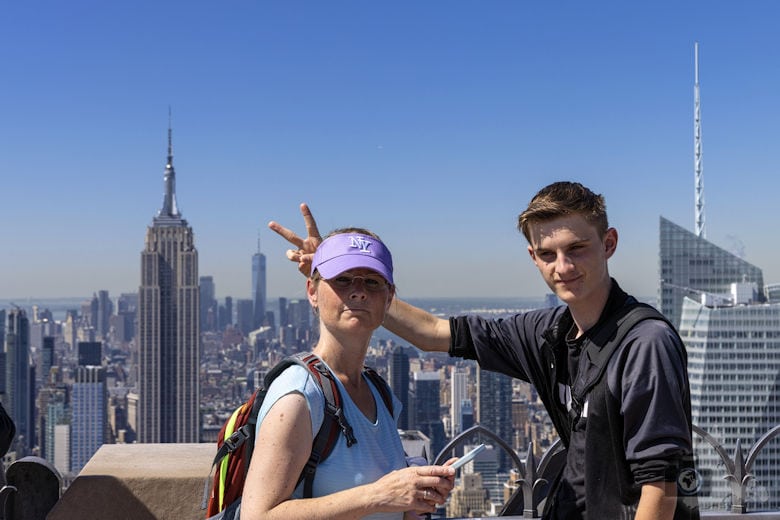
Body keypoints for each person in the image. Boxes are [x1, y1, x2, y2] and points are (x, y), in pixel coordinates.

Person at [269, 182, 698, 520]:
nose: (563, 266)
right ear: (533, 257)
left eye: (577, 248)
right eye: (548, 253)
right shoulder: (549, 333)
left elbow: (660, 486)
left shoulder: (645, 344)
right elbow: (436, 332)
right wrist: (343, 272)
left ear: (608, 244)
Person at [240, 227, 455, 520]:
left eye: (372, 281)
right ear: (312, 292)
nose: (358, 291)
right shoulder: (299, 394)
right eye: (341, 280)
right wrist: (378, 495)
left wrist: (414, 499)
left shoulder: (379, 393)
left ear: (389, 297)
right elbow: (258, 516)